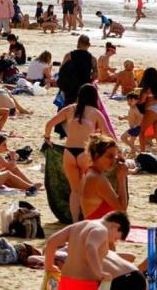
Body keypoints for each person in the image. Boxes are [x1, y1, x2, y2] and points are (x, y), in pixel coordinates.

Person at [44, 83, 109, 222]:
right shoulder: (96, 113)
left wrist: (47, 138)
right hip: (85, 153)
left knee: (75, 191)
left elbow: (49, 124)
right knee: (87, 191)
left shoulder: (69, 110)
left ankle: (75, 221)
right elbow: (108, 135)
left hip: (69, 153)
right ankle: (86, 219)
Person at [43, 212, 131, 290]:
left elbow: (52, 242)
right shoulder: (101, 230)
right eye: (116, 238)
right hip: (85, 283)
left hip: (65, 280)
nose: (114, 241)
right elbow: (90, 247)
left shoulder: (78, 225)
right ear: (115, 226)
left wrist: (49, 265)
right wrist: (99, 272)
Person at [80, 134, 128, 220]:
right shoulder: (98, 179)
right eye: (110, 156)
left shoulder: (90, 172)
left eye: (115, 156)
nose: (113, 161)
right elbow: (122, 209)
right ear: (96, 156)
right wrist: (122, 179)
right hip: (99, 230)